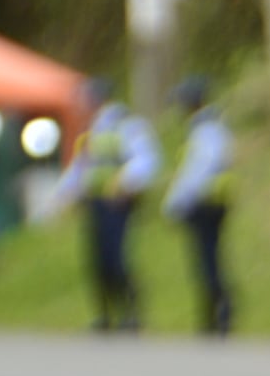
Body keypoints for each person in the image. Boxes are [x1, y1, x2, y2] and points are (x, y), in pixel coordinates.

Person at [79, 93, 160, 333]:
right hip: (96, 202)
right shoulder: (94, 130)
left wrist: (124, 182)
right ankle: (105, 315)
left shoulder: (126, 125)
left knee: (117, 259)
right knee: (98, 261)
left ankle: (132, 314)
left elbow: (146, 159)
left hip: (118, 202)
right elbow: (85, 167)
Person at [166, 77, 237, 337]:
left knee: (208, 260)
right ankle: (216, 314)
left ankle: (219, 315)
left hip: (204, 202)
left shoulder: (205, 129)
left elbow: (197, 170)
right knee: (210, 259)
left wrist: (177, 201)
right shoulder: (213, 125)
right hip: (214, 200)